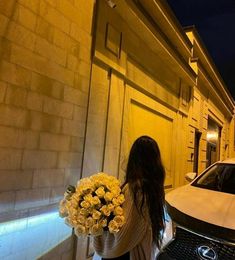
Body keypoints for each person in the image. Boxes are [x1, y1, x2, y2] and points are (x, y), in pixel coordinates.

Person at [93, 135, 166, 260]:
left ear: (134, 159)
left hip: (128, 253)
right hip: (143, 248)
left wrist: (99, 230)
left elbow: (125, 233)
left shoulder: (135, 189)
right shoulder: (154, 186)